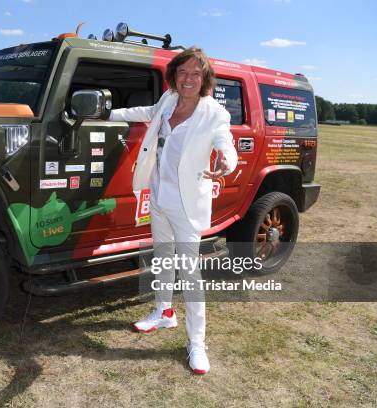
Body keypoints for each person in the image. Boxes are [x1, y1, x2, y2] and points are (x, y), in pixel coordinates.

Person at [108, 47, 238, 374]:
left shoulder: (214, 114)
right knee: (163, 257)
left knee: (190, 273)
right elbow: (144, 111)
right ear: (174, 76)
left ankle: (197, 343)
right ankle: (164, 313)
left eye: (196, 73)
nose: (188, 78)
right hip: (160, 197)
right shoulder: (167, 102)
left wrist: (226, 161)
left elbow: (226, 145)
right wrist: (105, 113)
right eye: (183, 72)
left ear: (205, 79)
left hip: (186, 204)